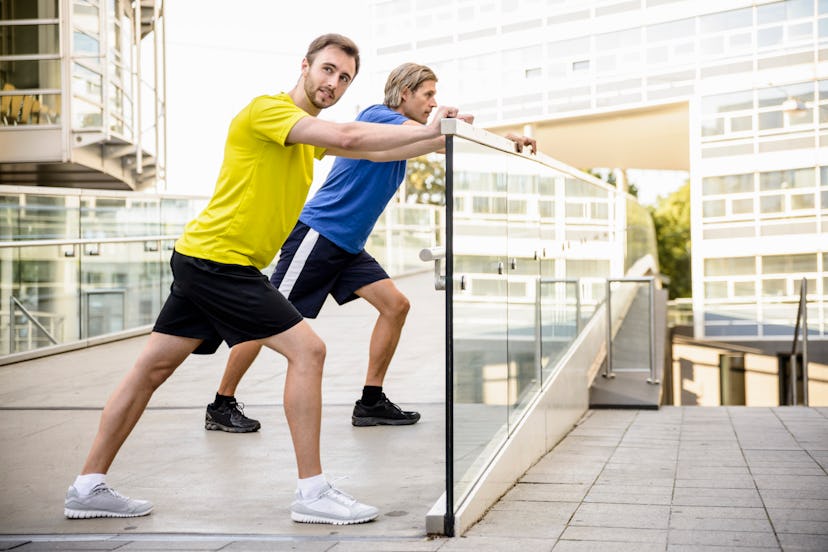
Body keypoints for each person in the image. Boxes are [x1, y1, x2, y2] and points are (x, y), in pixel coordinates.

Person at [63, 34, 462, 526]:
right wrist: (438, 130)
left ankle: (87, 486)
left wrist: (448, 134)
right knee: (308, 350)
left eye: (343, 78)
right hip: (220, 262)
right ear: (305, 66)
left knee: (151, 370)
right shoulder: (268, 111)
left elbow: (375, 153)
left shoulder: (302, 137)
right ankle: (313, 493)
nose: (333, 83)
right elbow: (352, 139)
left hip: (205, 258)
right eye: (327, 70)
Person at [203, 62, 537, 433]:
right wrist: (452, 125)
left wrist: (506, 142)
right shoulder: (378, 116)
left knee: (396, 306)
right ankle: (221, 403)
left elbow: (444, 141)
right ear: (405, 93)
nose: (432, 102)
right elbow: (437, 133)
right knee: (266, 319)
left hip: (347, 246)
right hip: (318, 235)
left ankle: (371, 402)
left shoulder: (406, 137)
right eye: (427, 95)